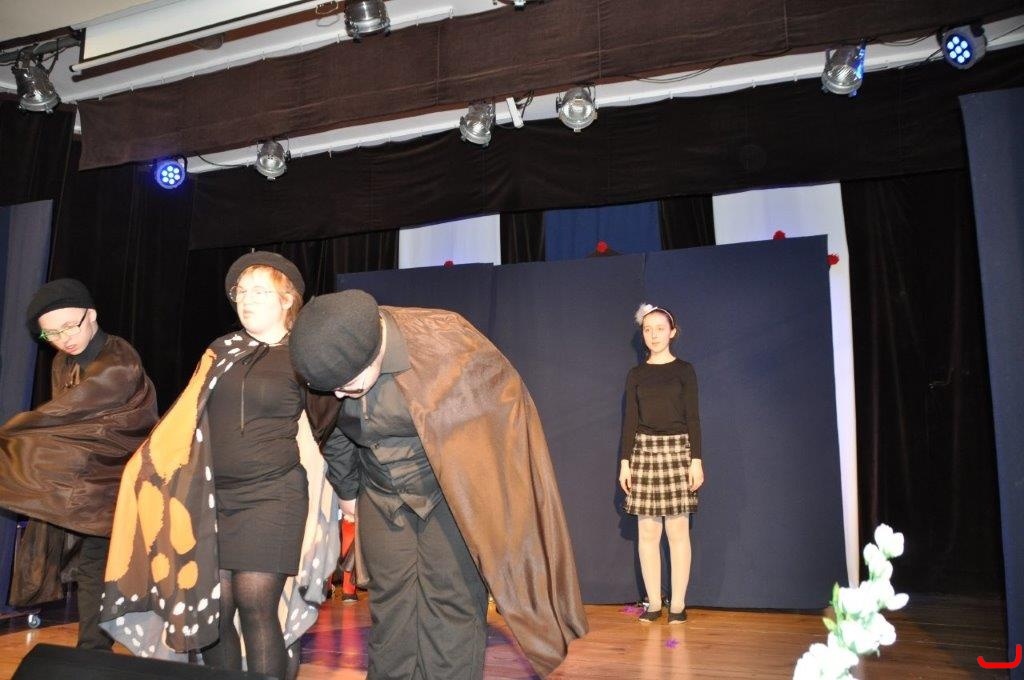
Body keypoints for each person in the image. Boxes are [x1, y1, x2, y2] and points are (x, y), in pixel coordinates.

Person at [289, 290, 588, 680]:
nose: (339, 395)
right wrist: (347, 491)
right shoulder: (326, 361)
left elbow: (497, 421)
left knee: (452, 601)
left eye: (349, 385)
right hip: (381, 491)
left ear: (375, 352)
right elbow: (332, 431)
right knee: (391, 606)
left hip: (451, 490)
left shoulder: (446, 341)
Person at [99, 253, 339, 680]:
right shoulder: (220, 351)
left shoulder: (303, 356)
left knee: (255, 604)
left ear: (287, 299)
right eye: (241, 292)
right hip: (209, 499)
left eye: (259, 292)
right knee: (214, 609)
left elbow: (329, 427)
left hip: (273, 497)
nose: (246, 300)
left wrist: (346, 490)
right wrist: (143, 468)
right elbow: (182, 420)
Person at [0, 278, 158, 648]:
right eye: (51, 333)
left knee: (97, 567)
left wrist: (12, 436)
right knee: (93, 568)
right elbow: (70, 429)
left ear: (92, 315)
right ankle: (92, 653)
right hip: (85, 481)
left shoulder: (119, 361)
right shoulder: (62, 362)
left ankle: (94, 653)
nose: (63, 339)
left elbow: (69, 414)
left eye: (70, 326)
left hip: (118, 481)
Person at [618, 303, 704, 624]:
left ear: (672, 332)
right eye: (647, 329)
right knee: (648, 532)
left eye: (659, 329)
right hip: (644, 452)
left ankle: (678, 605)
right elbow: (630, 421)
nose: (653, 335)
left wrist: (696, 460)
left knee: (678, 531)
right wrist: (625, 462)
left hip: (678, 450)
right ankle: (654, 603)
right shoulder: (636, 375)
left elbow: (693, 418)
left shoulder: (685, 370)